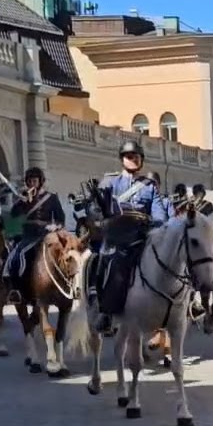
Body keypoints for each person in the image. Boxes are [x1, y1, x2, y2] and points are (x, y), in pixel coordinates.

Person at [89, 139, 161, 334]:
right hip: (118, 234)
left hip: (143, 234)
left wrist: (159, 226)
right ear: (122, 160)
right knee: (113, 265)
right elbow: (95, 209)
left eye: (136, 157)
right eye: (129, 157)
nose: (133, 160)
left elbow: (159, 213)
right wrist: (100, 219)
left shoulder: (149, 186)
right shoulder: (109, 182)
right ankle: (106, 311)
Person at [3, 167, 66, 291]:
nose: (32, 184)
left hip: (47, 234)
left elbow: (60, 219)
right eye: (30, 181)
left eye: (35, 181)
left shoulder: (51, 198)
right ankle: (16, 289)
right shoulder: (22, 200)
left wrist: (54, 226)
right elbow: (13, 219)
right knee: (17, 255)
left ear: (40, 182)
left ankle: (67, 284)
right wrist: (20, 203)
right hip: (29, 236)